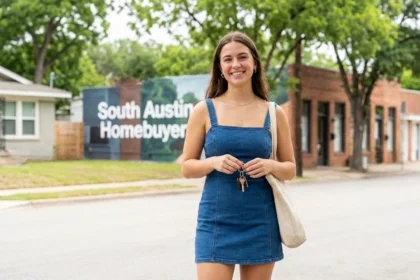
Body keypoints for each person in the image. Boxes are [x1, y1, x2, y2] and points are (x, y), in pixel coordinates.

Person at [181, 31, 296, 280]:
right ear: (220, 68)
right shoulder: (203, 110)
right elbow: (187, 167)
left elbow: (290, 169)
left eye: (242, 57)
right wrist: (213, 161)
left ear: (254, 64)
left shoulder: (274, 113)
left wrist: (269, 165)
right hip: (216, 221)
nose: (236, 65)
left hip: (261, 221)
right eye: (228, 59)